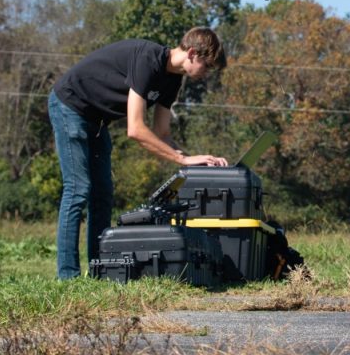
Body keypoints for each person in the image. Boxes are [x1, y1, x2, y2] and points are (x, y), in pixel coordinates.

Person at [48, 27, 229, 279]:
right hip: (70, 105)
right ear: (192, 53)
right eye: (207, 66)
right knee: (78, 188)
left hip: (98, 121)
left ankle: (100, 272)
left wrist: (196, 161)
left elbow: (162, 134)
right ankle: (67, 276)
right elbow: (135, 129)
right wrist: (180, 158)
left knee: (103, 195)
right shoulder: (148, 60)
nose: (207, 74)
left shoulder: (173, 80)